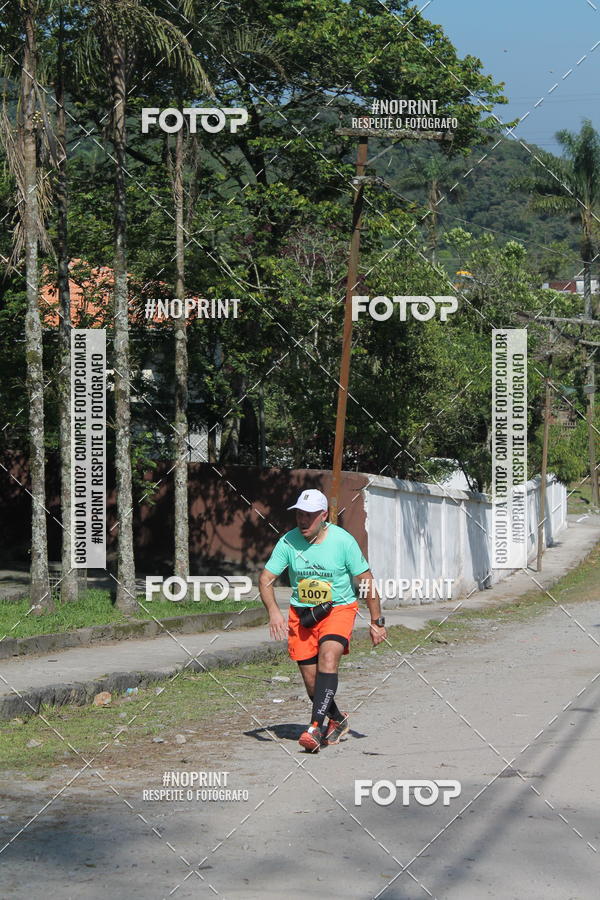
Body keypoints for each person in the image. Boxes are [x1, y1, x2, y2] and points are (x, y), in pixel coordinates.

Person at [258, 488, 387, 752]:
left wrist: (377, 620)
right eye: (299, 515)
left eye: (309, 515)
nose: (302, 521)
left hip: (337, 610)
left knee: (328, 658)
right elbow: (265, 579)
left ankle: (315, 728)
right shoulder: (289, 542)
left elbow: (366, 580)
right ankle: (337, 720)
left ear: (323, 516)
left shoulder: (342, 541)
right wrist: (273, 611)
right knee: (312, 682)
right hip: (302, 614)